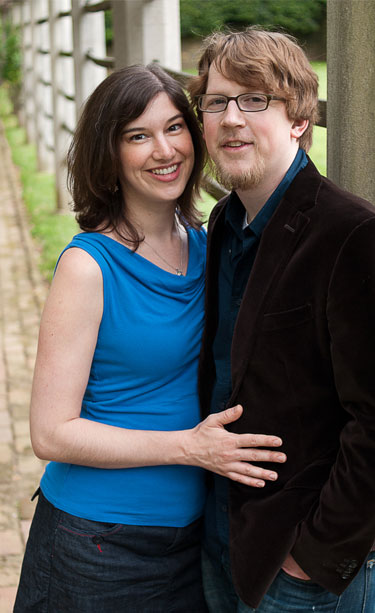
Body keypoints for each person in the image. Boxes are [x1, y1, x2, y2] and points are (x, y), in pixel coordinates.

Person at [14, 64, 287, 612]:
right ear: (109, 156)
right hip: (96, 543)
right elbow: (50, 432)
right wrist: (190, 447)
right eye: (138, 136)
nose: (164, 150)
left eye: (174, 128)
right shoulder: (89, 267)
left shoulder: (210, 248)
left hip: (195, 540)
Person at [188, 28, 375, 612]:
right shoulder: (224, 228)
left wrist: (311, 560)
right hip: (223, 541)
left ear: (298, 121)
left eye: (255, 99)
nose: (231, 118)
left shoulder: (356, 237)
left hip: (300, 567)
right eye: (217, 102)